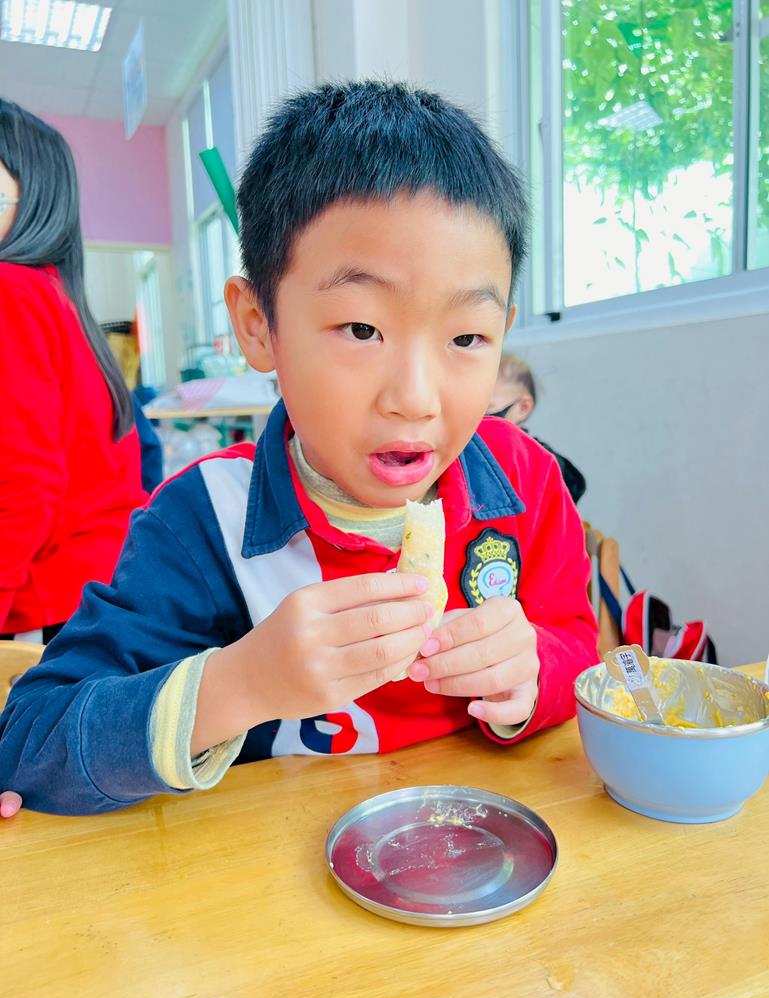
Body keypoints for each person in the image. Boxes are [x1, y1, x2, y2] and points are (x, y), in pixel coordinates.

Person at [0, 82, 598, 817]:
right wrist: (240, 684)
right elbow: (33, 742)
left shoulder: (526, 480)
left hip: (480, 842)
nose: (416, 398)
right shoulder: (201, 520)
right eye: (361, 330)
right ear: (258, 325)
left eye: (467, 337)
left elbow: (577, 646)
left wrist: (530, 673)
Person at [0, 100, 147, 816]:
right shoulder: (56, 297)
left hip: (45, 601)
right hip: (91, 591)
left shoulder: (11, 293)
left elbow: (19, 487)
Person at [488, 353, 587, 504]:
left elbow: (572, 485)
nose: (477, 416)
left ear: (523, 407)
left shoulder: (536, 455)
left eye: (488, 407)